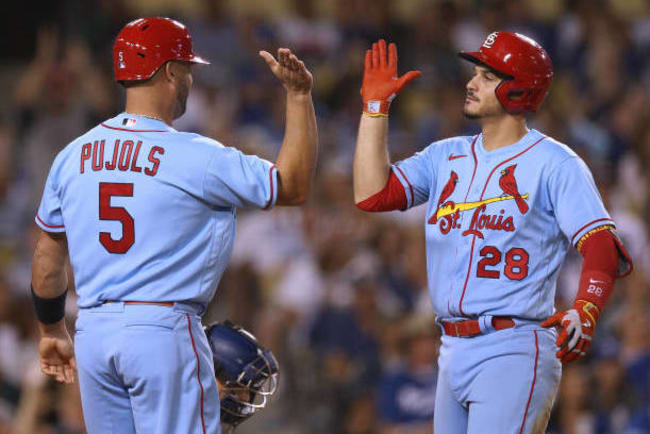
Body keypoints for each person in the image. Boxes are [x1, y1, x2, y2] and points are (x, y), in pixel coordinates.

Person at [30, 16, 317, 434]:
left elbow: (47, 256)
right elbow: (290, 186)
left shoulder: (72, 156)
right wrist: (298, 96)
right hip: (162, 330)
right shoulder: (196, 155)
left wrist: (51, 329)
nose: (189, 80)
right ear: (170, 72)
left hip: (93, 332)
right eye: (187, 69)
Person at [353, 32, 633, 433]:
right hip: (451, 347)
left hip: (513, 346)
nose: (471, 83)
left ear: (520, 88)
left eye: (488, 75)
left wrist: (586, 309)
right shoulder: (444, 155)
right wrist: (375, 110)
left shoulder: (555, 163)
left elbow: (602, 246)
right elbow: (371, 194)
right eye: (475, 73)